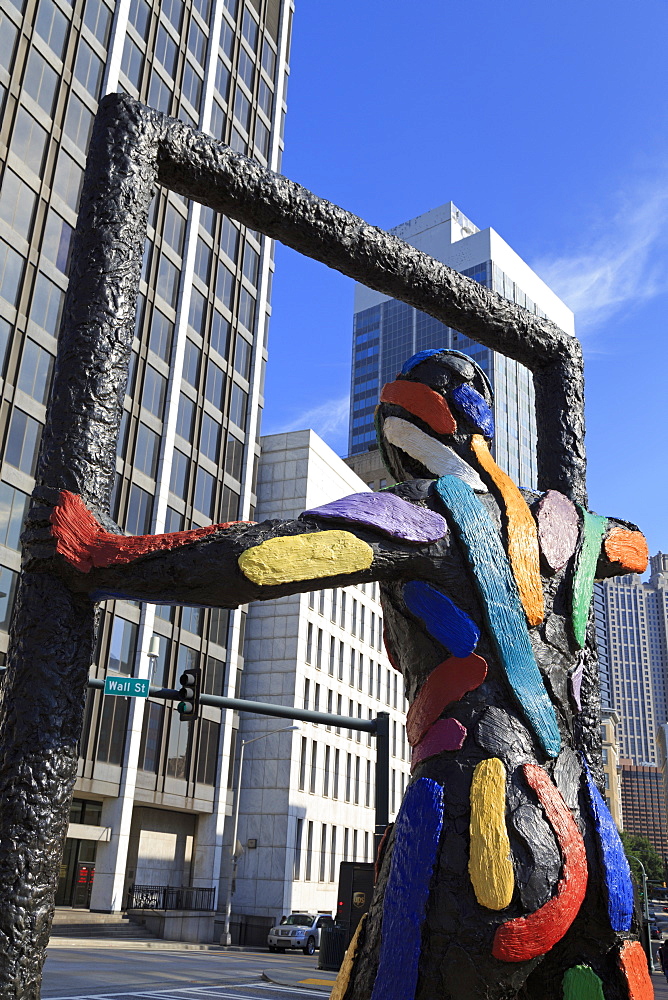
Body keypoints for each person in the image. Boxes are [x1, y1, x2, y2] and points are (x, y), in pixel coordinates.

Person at [48, 349, 650, 1000]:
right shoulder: (575, 526)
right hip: (587, 829)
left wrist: (104, 557)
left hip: (478, 824)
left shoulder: (419, 517)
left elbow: (258, 560)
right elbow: (636, 547)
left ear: (400, 437)